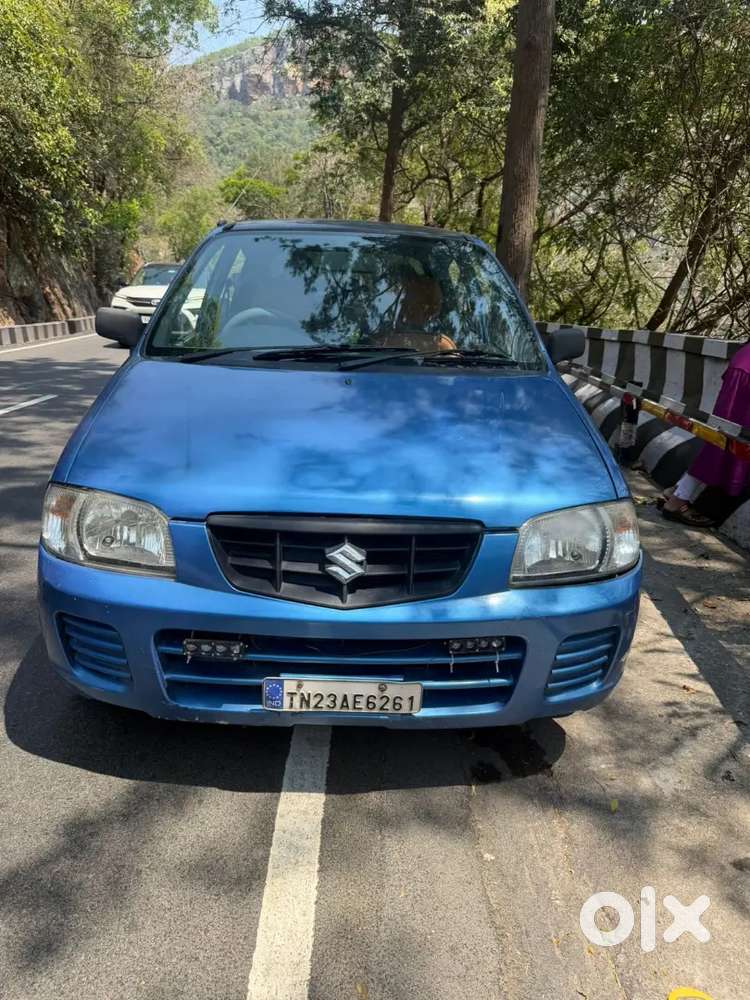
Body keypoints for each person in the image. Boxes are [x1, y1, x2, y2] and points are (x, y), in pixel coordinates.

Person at [663, 339, 750, 526]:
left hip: (741, 381)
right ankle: (676, 501)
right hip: (741, 391)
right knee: (722, 446)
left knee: (721, 447)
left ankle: (677, 492)